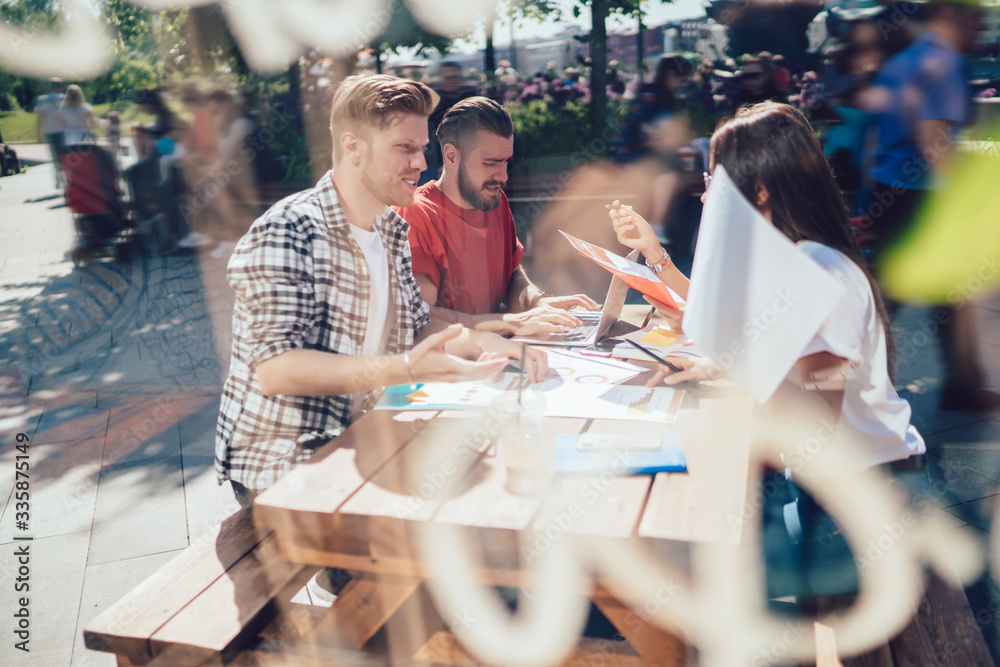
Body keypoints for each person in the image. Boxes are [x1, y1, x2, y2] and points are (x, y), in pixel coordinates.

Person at [610, 101, 926, 597]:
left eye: (715, 180)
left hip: (864, 502)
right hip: (847, 487)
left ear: (758, 191)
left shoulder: (817, 270)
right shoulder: (794, 256)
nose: (704, 193)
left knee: (701, 575)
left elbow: (817, 417)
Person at [215, 73, 544, 519]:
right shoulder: (291, 228)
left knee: (497, 492)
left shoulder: (390, 229)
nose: (421, 164)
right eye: (405, 149)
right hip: (284, 460)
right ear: (353, 147)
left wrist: (487, 338)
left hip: (363, 437)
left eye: (421, 148)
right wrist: (406, 367)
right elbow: (276, 369)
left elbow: (417, 324)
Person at [862, 0, 992, 410]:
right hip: (920, 197)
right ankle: (959, 385)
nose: (981, 29)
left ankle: (959, 384)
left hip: (892, 191)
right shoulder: (942, 63)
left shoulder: (903, 61)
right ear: (949, 15)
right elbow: (935, 144)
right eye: (976, 18)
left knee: (904, 296)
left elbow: (872, 141)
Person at [393, 96, 598, 336]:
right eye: (491, 163)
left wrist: (537, 302)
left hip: (501, 353)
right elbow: (422, 315)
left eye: (505, 162)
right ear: (451, 156)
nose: (503, 176)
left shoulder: (494, 201)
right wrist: (511, 322)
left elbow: (512, 273)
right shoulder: (414, 214)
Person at [34, 77, 65, 187]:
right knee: (66, 155)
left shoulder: (42, 100)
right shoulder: (65, 99)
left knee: (55, 156)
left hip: (50, 131)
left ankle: (58, 176)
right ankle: (66, 176)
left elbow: (40, 118)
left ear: (49, 87)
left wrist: (38, 134)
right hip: (64, 131)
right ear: (60, 87)